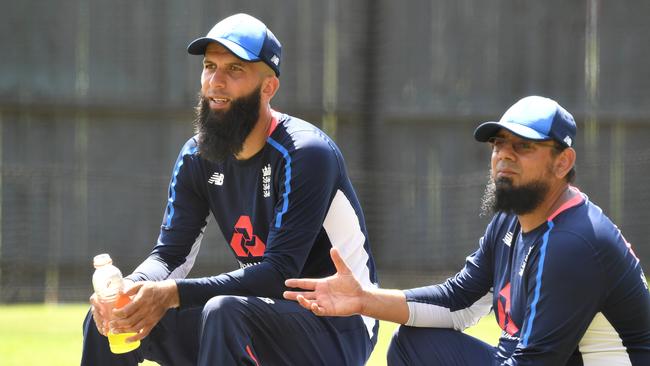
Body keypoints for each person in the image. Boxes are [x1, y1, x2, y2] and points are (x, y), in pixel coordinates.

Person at [81, 13, 379, 366]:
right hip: (258, 315)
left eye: (234, 70)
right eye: (210, 66)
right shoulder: (197, 155)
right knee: (116, 317)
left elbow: (279, 273)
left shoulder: (306, 153)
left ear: (268, 87)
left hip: (339, 326)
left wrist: (172, 294)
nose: (215, 82)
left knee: (224, 311)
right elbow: (171, 256)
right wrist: (132, 289)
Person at [285, 95, 650, 365]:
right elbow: (459, 301)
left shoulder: (573, 244)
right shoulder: (511, 220)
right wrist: (364, 299)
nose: (504, 155)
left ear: (563, 162)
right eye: (499, 144)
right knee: (413, 345)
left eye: (523, 146)